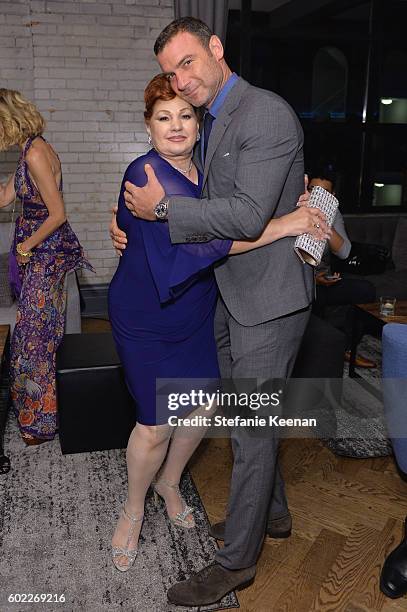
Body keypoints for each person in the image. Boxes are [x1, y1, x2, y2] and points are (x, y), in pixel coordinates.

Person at [110, 17, 329, 606]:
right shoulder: (211, 118)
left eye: (188, 63)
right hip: (228, 291)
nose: (180, 82)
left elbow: (245, 215)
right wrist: (128, 218)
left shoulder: (263, 113)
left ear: (216, 49)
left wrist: (161, 213)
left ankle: (236, 564)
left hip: (268, 300)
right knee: (242, 420)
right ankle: (271, 517)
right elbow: (194, 190)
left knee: (252, 431)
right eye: (170, 73)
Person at [0, 89, 92, 445]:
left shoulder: (36, 153)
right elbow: (5, 197)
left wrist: (24, 246)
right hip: (39, 254)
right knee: (38, 335)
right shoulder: (27, 150)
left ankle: (41, 423)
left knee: (32, 341)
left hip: (45, 254)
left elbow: (58, 215)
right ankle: (42, 416)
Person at [309, 171, 376, 368]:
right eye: (314, 190)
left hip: (325, 280)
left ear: (333, 197)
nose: (318, 197)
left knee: (365, 290)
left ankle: (346, 347)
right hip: (300, 283)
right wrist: (313, 279)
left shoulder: (333, 213)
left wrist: (325, 220)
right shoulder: (295, 211)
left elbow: (345, 252)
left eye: (324, 193)